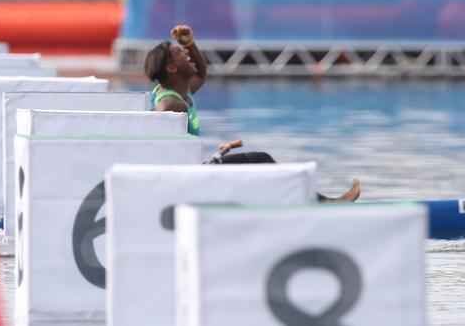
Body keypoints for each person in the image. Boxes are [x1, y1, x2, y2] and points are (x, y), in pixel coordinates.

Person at [144, 24, 360, 202]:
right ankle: (322, 204)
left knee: (262, 162)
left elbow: (201, 72)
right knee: (263, 161)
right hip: (188, 178)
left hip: (193, 171)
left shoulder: (181, 90)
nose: (188, 56)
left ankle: (315, 202)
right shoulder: (171, 103)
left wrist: (189, 44)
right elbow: (155, 131)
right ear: (171, 68)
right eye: (181, 54)